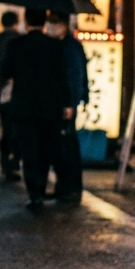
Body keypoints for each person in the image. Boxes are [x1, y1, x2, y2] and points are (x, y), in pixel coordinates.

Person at [0, 8, 71, 208]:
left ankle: (34, 194)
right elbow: (62, 78)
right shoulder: (55, 46)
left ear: (26, 22)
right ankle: (42, 184)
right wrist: (66, 103)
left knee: (28, 151)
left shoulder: (16, 45)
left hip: (23, 107)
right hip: (49, 107)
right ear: (45, 22)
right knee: (45, 150)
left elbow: (5, 71)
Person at [47, 12, 89, 203]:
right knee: (61, 145)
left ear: (64, 24)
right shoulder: (59, 45)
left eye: (55, 22)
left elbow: (76, 76)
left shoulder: (70, 46)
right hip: (58, 102)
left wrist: (71, 104)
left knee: (67, 146)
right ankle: (64, 186)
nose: (52, 26)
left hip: (66, 105)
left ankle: (71, 187)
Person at [0, 10, 23, 180]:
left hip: (1, 92)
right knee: (18, 130)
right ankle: (14, 163)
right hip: (20, 92)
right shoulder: (21, 40)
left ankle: (5, 163)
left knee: (5, 130)